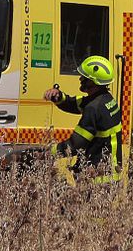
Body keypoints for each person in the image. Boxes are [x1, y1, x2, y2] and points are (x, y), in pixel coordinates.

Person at [44, 55, 122, 184]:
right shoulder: (106, 99)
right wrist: (58, 96)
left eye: (84, 77)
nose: (80, 79)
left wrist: (49, 152)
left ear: (93, 82)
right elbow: (75, 103)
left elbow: (75, 145)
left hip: (98, 179)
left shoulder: (93, 108)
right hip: (111, 174)